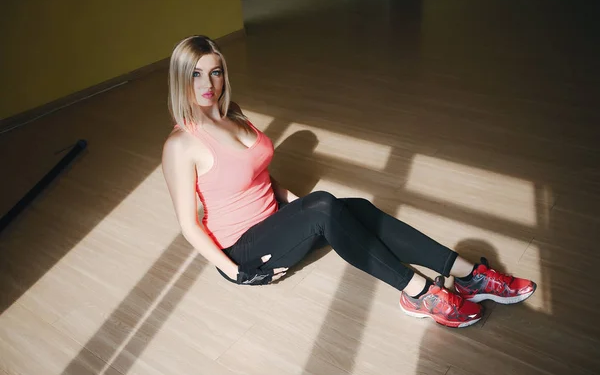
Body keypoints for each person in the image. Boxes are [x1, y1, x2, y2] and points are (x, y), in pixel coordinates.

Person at [161, 35, 536, 329]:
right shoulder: (182, 144)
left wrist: (300, 208)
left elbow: (256, 174)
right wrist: (237, 273)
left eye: (215, 71)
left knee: (354, 209)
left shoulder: (234, 115)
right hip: (244, 253)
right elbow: (188, 225)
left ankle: (468, 274)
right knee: (325, 205)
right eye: (196, 73)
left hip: (275, 225)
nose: (208, 83)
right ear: (181, 77)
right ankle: (419, 292)